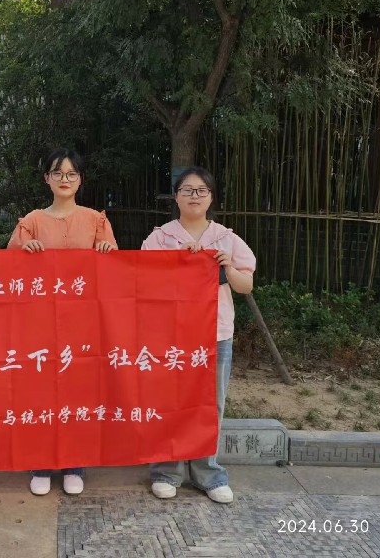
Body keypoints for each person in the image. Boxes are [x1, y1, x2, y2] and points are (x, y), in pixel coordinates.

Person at [7, 148, 117, 496]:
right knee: (40, 393)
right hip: (39, 324)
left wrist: (106, 253)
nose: (64, 179)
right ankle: (40, 464)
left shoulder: (96, 221)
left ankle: (74, 464)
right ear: (47, 179)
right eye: (58, 173)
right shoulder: (32, 221)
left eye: (71, 174)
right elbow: (7, 265)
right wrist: (24, 250)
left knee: (78, 392)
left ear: (80, 179)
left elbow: (114, 271)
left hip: (83, 325)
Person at [142, 166, 255, 504]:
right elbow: (144, 283)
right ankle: (167, 471)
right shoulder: (160, 238)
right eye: (187, 190)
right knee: (170, 402)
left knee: (210, 404)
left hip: (215, 334)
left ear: (211, 197)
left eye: (201, 190)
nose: (194, 196)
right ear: (176, 197)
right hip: (171, 336)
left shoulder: (226, 239)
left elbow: (245, 285)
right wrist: (176, 263)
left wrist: (227, 267)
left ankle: (208, 473)